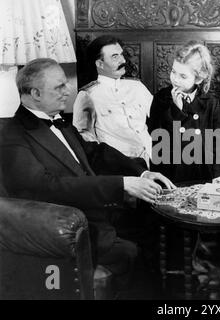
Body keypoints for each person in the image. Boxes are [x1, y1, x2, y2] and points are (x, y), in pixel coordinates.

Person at [0, 58, 176, 296]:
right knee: (141, 253)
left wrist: (141, 171)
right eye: (59, 87)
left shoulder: (60, 122)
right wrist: (122, 184)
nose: (68, 90)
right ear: (35, 93)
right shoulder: (13, 136)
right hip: (74, 232)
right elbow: (46, 186)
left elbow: (97, 153)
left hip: (101, 215)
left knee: (161, 228)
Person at [148, 41, 220, 183]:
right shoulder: (161, 99)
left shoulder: (210, 102)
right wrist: (177, 111)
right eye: (173, 72)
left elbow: (216, 144)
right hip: (171, 171)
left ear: (199, 78)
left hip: (202, 171)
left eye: (183, 76)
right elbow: (156, 140)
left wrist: (217, 179)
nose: (175, 79)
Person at [73, 35, 152, 166]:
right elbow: (85, 140)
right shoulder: (88, 95)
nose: (122, 60)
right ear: (99, 64)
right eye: (115, 57)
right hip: (120, 165)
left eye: (122, 54)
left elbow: (160, 120)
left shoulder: (137, 87)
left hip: (154, 158)